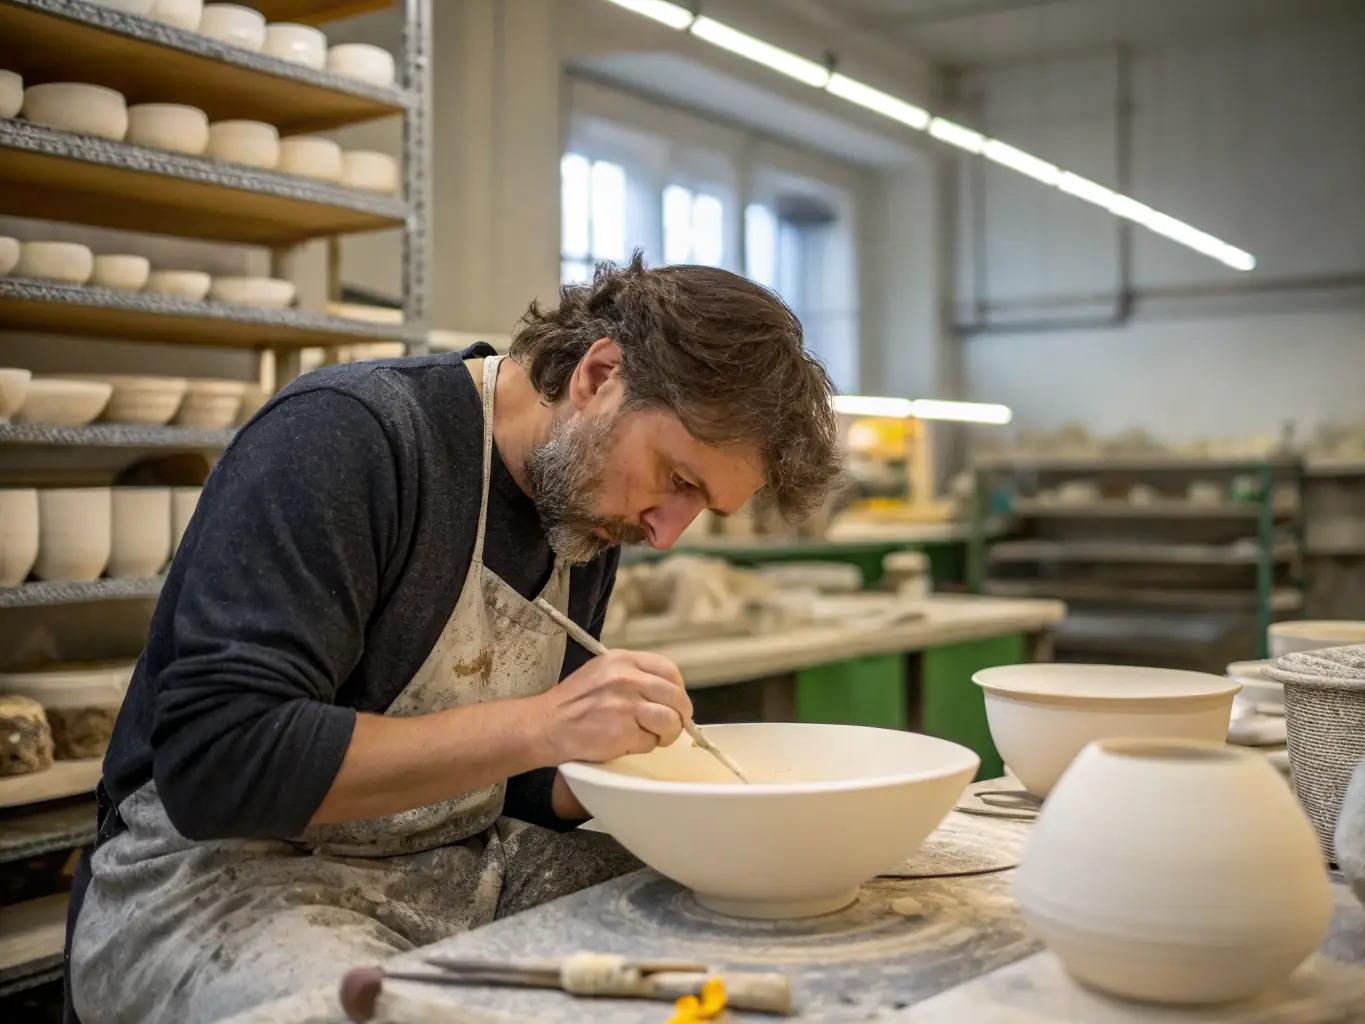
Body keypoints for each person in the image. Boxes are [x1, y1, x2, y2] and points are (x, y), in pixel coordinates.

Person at [64, 255, 842, 1022]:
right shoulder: (348, 435)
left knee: (735, 922)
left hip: (451, 867)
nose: (666, 534)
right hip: (220, 880)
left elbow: (505, 779)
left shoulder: (586, 510)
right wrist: (544, 725)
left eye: (702, 506)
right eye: (678, 479)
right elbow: (220, 764)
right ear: (600, 376)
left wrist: (603, 771)